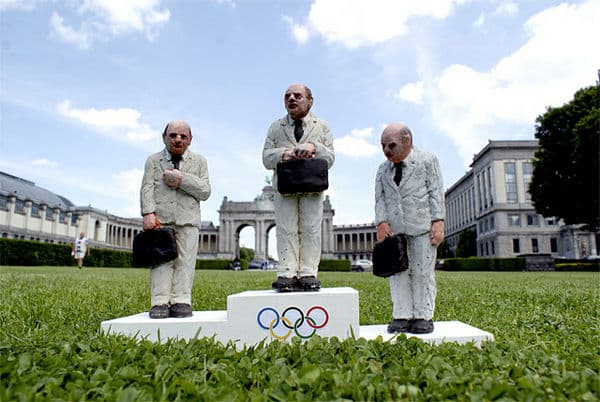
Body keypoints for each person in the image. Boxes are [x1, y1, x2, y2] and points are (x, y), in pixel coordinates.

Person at [263, 84, 335, 292]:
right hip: (285, 184)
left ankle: (308, 272)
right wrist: (286, 153)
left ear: (310, 101)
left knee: (311, 228)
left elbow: (330, 158)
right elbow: (266, 157)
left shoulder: (322, 126)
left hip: (312, 185)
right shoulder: (275, 127)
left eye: (297, 95)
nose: (291, 99)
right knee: (286, 228)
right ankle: (286, 271)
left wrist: (314, 148)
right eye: (287, 96)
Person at [374, 123, 445, 334]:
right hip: (395, 230)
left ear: (407, 141)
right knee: (398, 274)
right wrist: (381, 222)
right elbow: (380, 198)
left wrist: (438, 221)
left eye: (391, 145)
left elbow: (436, 191)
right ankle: (402, 314)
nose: (386, 151)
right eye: (383, 146)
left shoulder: (427, 161)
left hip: (422, 226)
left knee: (423, 272)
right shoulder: (382, 169)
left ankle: (423, 315)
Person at [140, 121, 211, 319]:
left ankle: (182, 300)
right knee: (161, 261)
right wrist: (148, 213)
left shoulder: (199, 161)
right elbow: (146, 187)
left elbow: (205, 191)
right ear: (164, 137)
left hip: (188, 219)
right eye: (173, 135)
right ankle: (159, 301)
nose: (177, 139)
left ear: (190, 139)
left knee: (186, 261)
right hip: (161, 219)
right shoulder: (153, 160)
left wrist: (181, 180)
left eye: (182, 136)